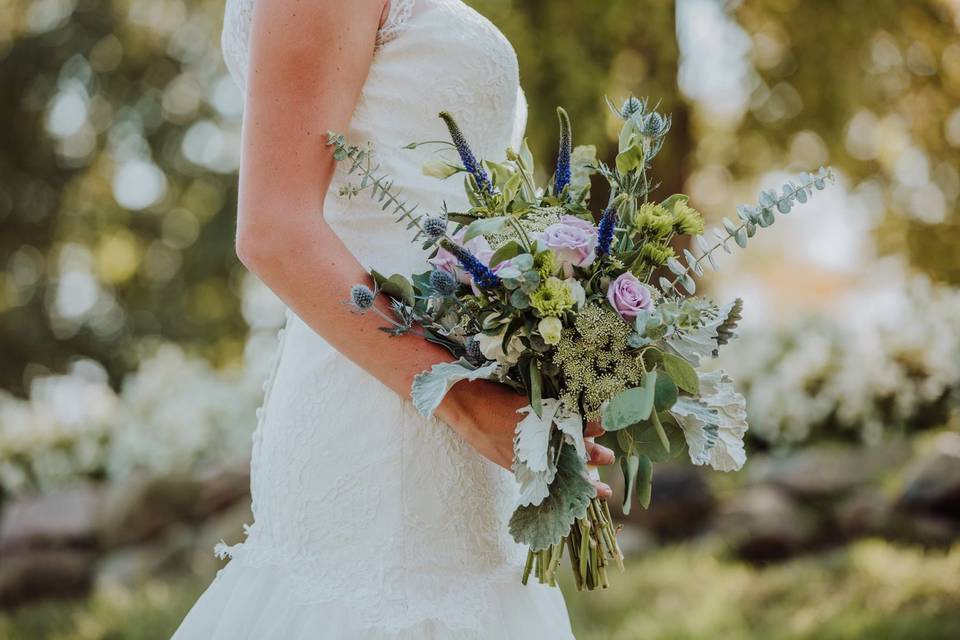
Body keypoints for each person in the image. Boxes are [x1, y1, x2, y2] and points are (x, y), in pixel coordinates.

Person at [172, 1, 615, 638]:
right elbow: (274, 229)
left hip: (470, 398)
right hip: (385, 413)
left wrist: (562, 343)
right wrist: (467, 404)